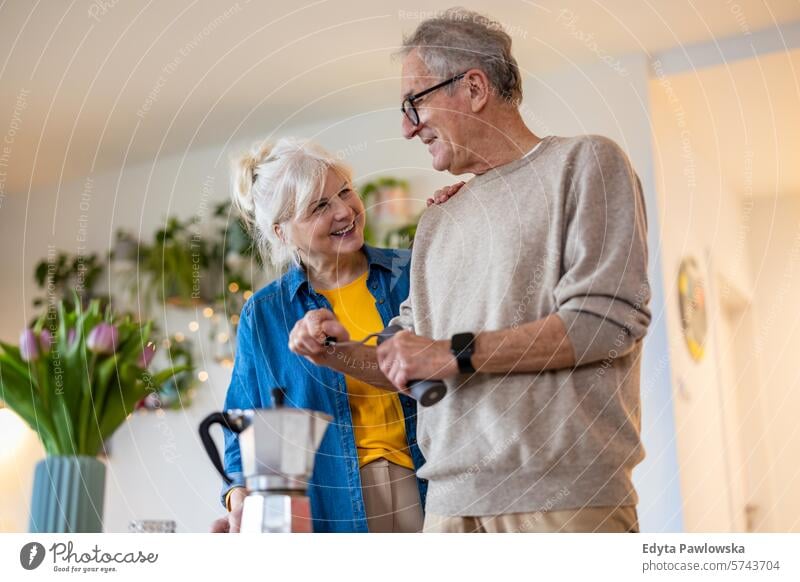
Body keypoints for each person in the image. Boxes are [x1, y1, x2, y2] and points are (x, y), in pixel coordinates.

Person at [289, 8, 651, 533]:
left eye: (414, 104)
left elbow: (606, 326)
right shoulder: (438, 216)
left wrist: (449, 352)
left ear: (475, 88)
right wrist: (336, 353)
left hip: (562, 499)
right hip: (449, 509)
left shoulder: (586, 163)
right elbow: (411, 364)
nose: (407, 128)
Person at [209, 137, 461, 533]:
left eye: (345, 191)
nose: (345, 211)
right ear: (282, 232)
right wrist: (238, 493)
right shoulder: (264, 314)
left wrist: (460, 218)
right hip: (332, 500)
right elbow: (244, 420)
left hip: (428, 481)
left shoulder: (411, 273)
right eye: (320, 206)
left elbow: (456, 360)